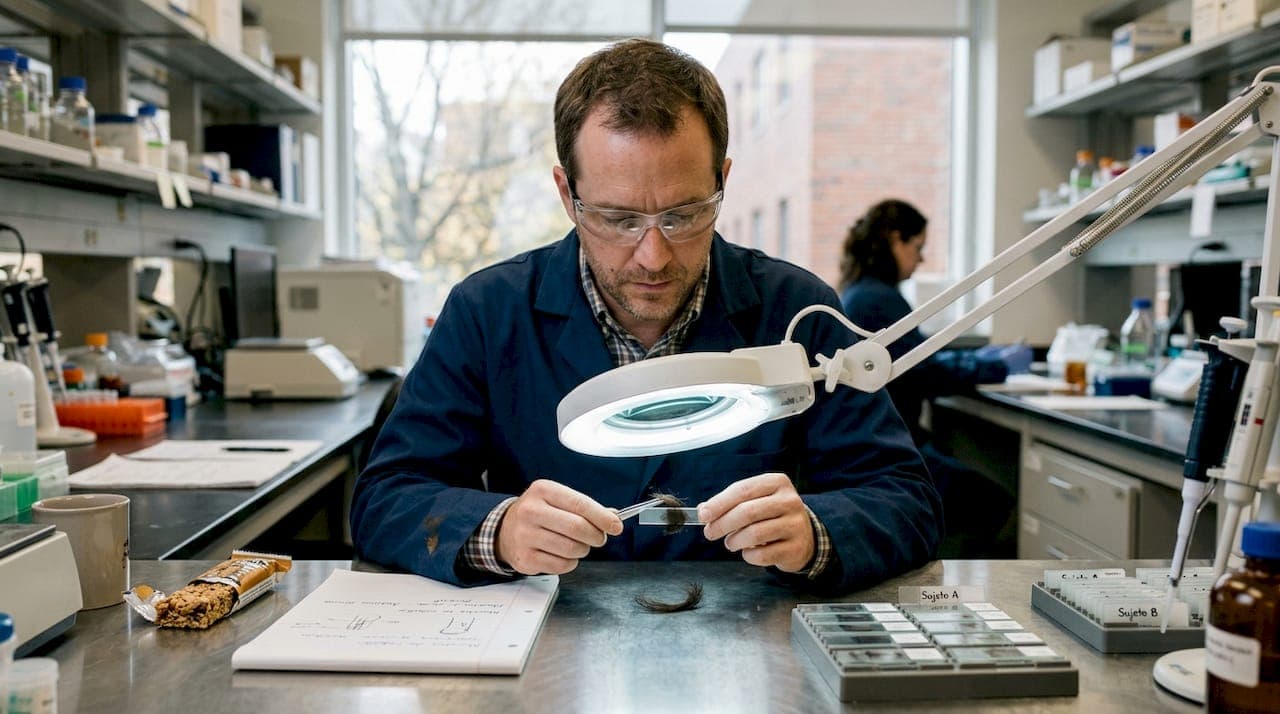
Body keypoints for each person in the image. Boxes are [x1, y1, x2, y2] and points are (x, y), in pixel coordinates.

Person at [351, 40, 942, 595]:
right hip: (552, 640)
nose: (653, 256)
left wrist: (816, 530)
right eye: (617, 218)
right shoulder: (487, 312)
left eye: (684, 215)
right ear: (567, 193)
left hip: (746, 640)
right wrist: (497, 530)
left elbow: (906, 499)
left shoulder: (797, 312)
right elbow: (386, 498)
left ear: (723, 182)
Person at [838, 198, 1025, 555]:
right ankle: (946, 588)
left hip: (879, 440)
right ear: (895, 240)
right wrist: (996, 366)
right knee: (992, 503)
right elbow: (925, 368)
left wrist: (978, 360)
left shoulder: (862, 291)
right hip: (889, 448)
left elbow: (917, 355)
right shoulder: (878, 298)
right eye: (918, 247)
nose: (921, 260)